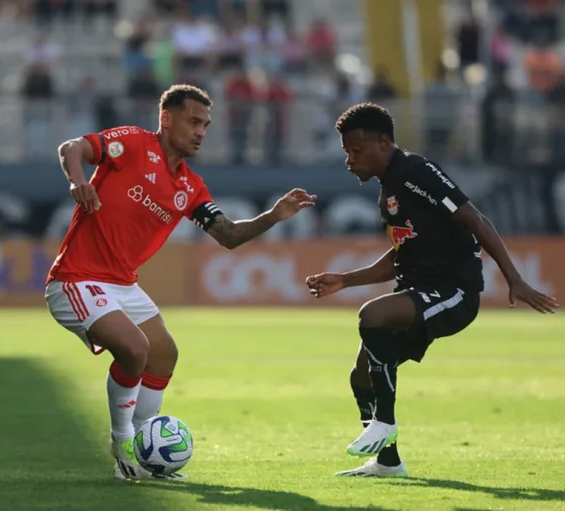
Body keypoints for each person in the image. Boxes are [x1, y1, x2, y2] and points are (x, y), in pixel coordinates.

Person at [45, 84, 316, 480]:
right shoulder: (133, 144)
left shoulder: (190, 186)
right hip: (76, 279)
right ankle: (122, 444)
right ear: (166, 119)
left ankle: (146, 450)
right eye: (193, 122)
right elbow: (72, 147)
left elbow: (228, 235)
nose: (201, 132)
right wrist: (76, 179)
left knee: (164, 353)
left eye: (205, 125)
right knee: (135, 348)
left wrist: (273, 216)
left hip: (121, 283)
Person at [306, 102, 559, 478]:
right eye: (346, 152)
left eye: (356, 150)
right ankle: (387, 461)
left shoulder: (415, 172)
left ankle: (385, 422)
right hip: (419, 289)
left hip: (453, 291)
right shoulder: (388, 190)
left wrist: (515, 279)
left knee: (372, 316)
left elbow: (475, 218)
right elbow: (401, 255)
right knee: (361, 376)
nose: (349, 160)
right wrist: (346, 279)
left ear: (384, 141)